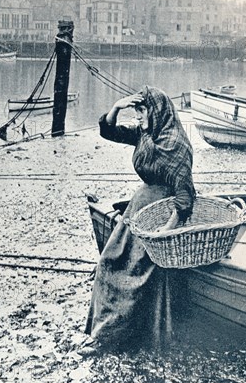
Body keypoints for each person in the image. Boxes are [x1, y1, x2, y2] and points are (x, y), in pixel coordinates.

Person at [83, 86, 196, 354]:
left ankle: (111, 338)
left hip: (161, 216)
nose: (138, 117)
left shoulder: (177, 146)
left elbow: (184, 199)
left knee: (135, 275)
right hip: (138, 209)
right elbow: (109, 131)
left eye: (142, 111)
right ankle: (100, 330)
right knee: (109, 262)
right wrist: (117, 108)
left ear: (157, 112)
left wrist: (161, 235)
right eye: (136, 111)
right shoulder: (146, 135)